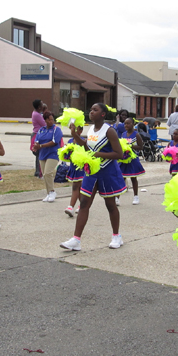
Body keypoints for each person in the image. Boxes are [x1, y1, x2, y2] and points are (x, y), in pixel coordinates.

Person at [60, 103, 126, 251]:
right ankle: (76, 240)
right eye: (91, 110)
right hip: (92, 171)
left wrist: (97, 154)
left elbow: (119, 154)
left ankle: (116, 236)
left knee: (110, 205)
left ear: (103, 114)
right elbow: (87, 148)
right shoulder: (91, 129)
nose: (91, 112)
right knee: (84, 203)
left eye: (95, 110)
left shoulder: (109, 131)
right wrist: (75, 135)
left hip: (107, 171)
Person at [33, 111, 63, 203]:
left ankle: (52, 192)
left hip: (53, 154)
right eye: (49, 120)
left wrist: (41, 146)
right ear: (45, 120)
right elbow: (37, 140)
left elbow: (54, 142)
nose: (51, 121)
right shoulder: (41, 130)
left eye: (52, 119)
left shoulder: (56, 129)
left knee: (48, 173)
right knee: (45, 175)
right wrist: (36, 145)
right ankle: (48, 193)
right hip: (43, 154)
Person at [119, 117, 145, 204]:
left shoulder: (136, 135)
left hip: (132, 159)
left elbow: (140, 147)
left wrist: (130, 146)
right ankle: (117, 198)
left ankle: (136, 196)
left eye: (128, 123)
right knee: (121, 178)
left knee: (133, 178)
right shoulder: (123, 134)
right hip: (123, 160)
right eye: (125, 123)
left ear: (133, 124)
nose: (126, 125)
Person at [63, 135, 85, 218]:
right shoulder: (70, 141)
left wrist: (77, 145)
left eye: (76, 129)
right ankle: (81, 206)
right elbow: (68, 157)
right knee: (78, 188)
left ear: (80, 131)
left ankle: (71, 206)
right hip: (73, 167)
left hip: (81, 168)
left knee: (77, 187)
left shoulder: (83, 141)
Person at [31, 99, 47, 177]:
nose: (43, 104)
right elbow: (44, 124)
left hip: (38, 134)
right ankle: (39, 172)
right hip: (37, 135)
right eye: (41, 104)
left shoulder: (36, 113)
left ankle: (38, 171)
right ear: (39, 106)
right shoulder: (36, 115)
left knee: (39, 154)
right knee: (39, 154)